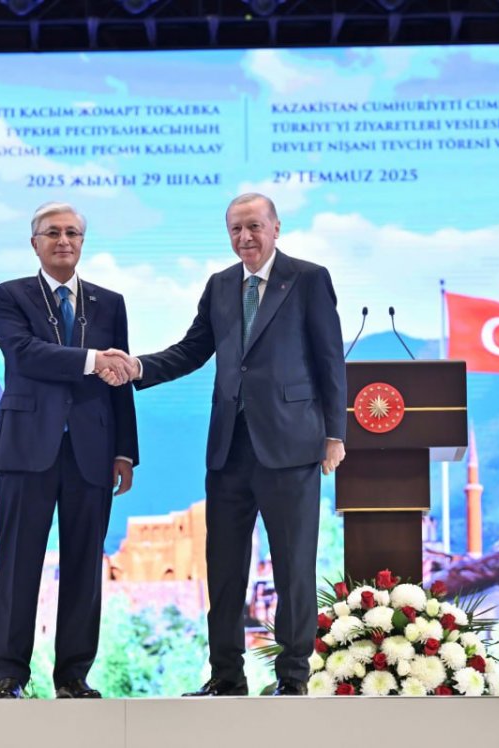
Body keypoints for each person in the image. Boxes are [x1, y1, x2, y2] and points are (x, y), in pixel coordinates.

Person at [104, 193, 346, 696]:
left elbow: (330, 360)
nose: (245, 237)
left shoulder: (308, 278)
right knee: (225, 571)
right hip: (228, 449)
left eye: (254, 226)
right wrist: (138, 367)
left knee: (293, 568)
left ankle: (293, 679)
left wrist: (334, 434)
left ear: (276, 228)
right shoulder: (220, 285)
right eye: (236, 228)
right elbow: (193, 349)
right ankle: (227, 677)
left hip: (291, 447)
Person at [0, 201, 139, 699]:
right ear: (35, 243)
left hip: (92, 449)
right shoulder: (10, 295)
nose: (64, 240)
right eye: (53, 233)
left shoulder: (109, 302)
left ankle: (73, 675)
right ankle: (9, 674)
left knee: (84, 566)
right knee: (17, 562)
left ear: (83, 242)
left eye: (72, 232)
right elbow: (24, 355)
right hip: (26, 447)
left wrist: (125, 450)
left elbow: (121, 381)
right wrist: (93, 360)